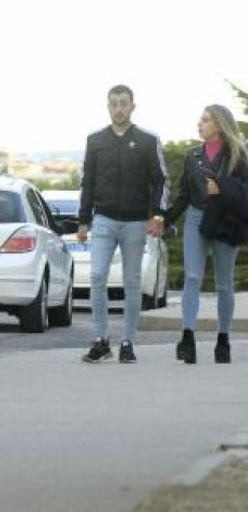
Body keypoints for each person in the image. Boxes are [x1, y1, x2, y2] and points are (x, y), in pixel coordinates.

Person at [78, 85, 170, 364]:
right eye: (114, 104)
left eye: (123, 103)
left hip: (135, 222)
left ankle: (128, 342)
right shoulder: (95, 140)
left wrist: (158, 215)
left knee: (132, 282)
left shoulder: (146, 140)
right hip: (103, 219)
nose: (119, 108)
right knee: (96, 277)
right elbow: (88, 182)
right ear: (108, 107)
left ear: (132, 106)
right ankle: (101, 340)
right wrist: (83, 220)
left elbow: (162, 180)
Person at [164, 105, 248, 364]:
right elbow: (184, 195)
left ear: (219, 125)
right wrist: (163, 219)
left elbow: (245, 191)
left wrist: (220, 187)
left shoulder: (238, 155)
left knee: (224, 284)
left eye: (205, 120)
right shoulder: (193, 156)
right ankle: (187, 337)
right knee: (192, 276)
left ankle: (223, 340)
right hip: (196, 218)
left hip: (226, 222)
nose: (199, 124)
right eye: (200, 120)